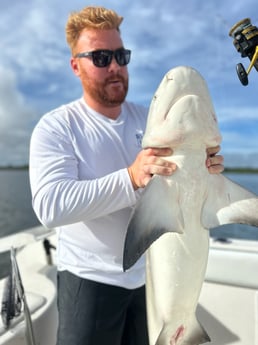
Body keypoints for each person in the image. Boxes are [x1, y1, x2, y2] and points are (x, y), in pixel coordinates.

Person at [29, 6, 224, 345]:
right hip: (87, 282)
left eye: (121, 54)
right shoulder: (58, 126)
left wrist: (204, 167)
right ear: (76, 65)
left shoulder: (151, 120)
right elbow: (50, 206)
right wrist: (131, 178)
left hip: (145, 279)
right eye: (101, 57)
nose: (116, 66)